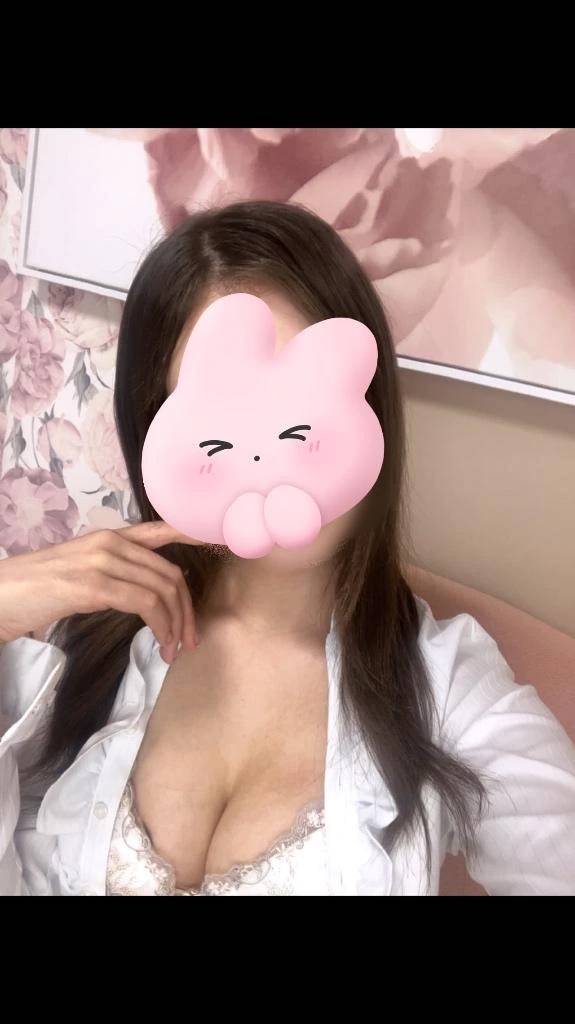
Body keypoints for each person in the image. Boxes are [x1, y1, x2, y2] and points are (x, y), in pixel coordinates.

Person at [1, 200, 574, 896]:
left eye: (299, 406)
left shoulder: (447, 686)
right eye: (220, 415)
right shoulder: (83, 640)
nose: (268, 457)